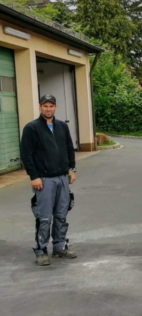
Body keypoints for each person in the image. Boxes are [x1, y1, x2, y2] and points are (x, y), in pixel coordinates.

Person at [20, 94, 77, 266]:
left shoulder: (62, 126)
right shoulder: (32, 128)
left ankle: (59, 247)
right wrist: (34, 176)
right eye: (45, 106)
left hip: (62, 178)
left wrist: (72, 169)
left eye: (51, 106)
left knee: (61, 214)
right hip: (43, 180)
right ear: (40, 107)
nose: (48, 109)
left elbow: (69, 148)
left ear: (55, 108)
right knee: (44, 217)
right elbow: (26, 154)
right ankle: (41, 250)